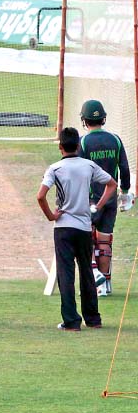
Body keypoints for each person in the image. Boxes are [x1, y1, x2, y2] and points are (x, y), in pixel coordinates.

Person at [37, 127, 117, 331]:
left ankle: (71, 321)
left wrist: (51, 216)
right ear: (78, 146)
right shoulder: (89, 166)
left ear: (60, 147)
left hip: (63, 227)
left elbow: (40, 196)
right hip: (83, 226)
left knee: (66, 274)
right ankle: (93, 319)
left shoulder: (55, 169)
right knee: (87, 272)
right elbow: (112, 184)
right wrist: (98, 206)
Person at [79, 99, 133, 297]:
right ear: (104, 118)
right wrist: (125, 192)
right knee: (104, 241)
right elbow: (125, 169)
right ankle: (106, 283)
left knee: (87, 238)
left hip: (91, 199)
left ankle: (97, 281)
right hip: (111, 199)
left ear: (84, 120)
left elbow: (80, 171)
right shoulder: (116, 139)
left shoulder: (84, 142)